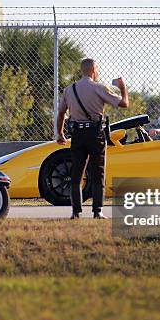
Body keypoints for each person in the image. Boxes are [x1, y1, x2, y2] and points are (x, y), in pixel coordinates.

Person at [55, 58, 129, 219]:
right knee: (98, 172)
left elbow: (61, 113)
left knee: (76, 173)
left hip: (77, 135)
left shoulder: (69, 90)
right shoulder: (99, 88)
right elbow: (124, 104)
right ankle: (98, 211)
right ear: (94, 70)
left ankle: (76, 212)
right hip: (95, 134)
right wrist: (123, 87)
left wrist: (60, 134)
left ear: (82, 70)